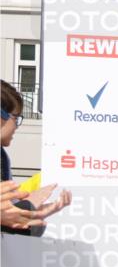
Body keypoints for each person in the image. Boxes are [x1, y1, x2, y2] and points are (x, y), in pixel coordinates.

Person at [1, 80, 72, 233]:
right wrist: (28, 206)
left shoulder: (2, 157)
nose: (17, 126)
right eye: (16, 118)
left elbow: (7, 217)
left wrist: (32, 212)